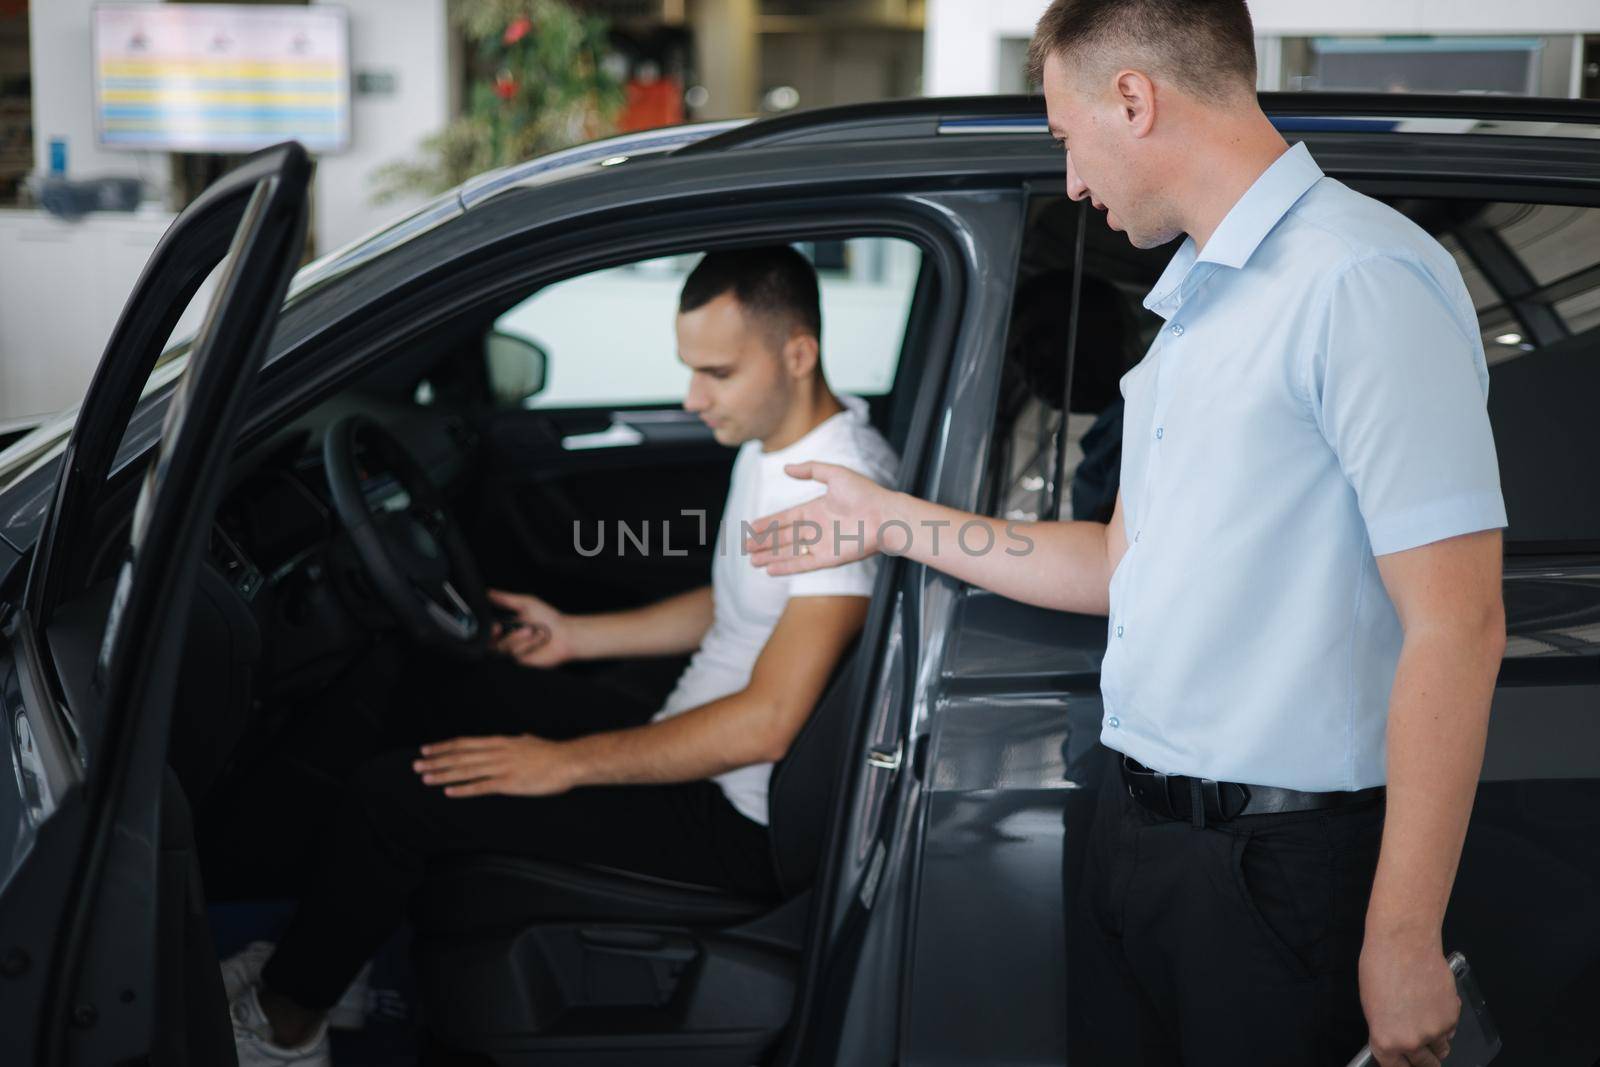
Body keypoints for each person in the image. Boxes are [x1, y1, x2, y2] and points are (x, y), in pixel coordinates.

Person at [742, 3, 1506, 1065]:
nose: (1069, 182)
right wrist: (889, 520)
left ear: (1134, 99)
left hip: (1277, 865)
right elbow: (1118, 563)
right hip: (1135, 831)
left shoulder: (1356, 278)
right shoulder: (1193, 298)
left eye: (1065, 136)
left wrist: (1402, 932)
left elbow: (1458, 622)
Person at [226, 245, 898, 1066]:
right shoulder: (786, 446)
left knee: (392, 795)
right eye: (690, 370)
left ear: (798, 354)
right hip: (693, 733)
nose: (693, 399)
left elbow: (765, 723)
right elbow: (739, 598)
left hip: (732, 813)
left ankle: (285, 1026)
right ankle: (339, 960)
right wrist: (579, 635)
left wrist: (561, 763)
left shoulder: (835, 484)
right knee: (433, 683)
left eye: (717, 373)